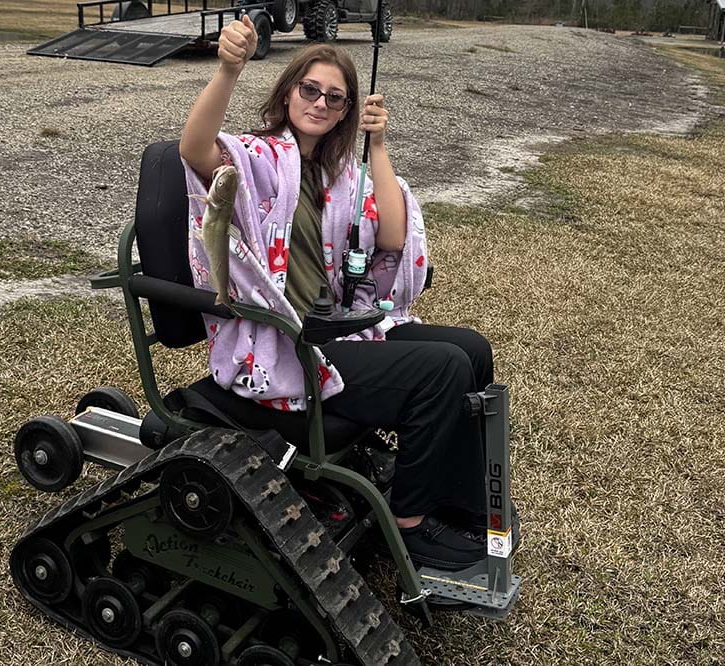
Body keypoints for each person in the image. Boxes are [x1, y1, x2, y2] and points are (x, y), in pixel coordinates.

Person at [178, 15, 503, 570]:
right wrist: (229, 70)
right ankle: (410, 524)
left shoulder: (337, 176)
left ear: (347, 111)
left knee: (471, 350)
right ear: (288, 93)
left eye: (336, 98)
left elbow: (394, 237)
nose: (321, 103)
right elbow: (195, 148)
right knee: (442, 370)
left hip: (332, 327)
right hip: (285, 342)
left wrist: (378, 143)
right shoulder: (255, 159)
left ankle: (451, 500)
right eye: (311, 90)